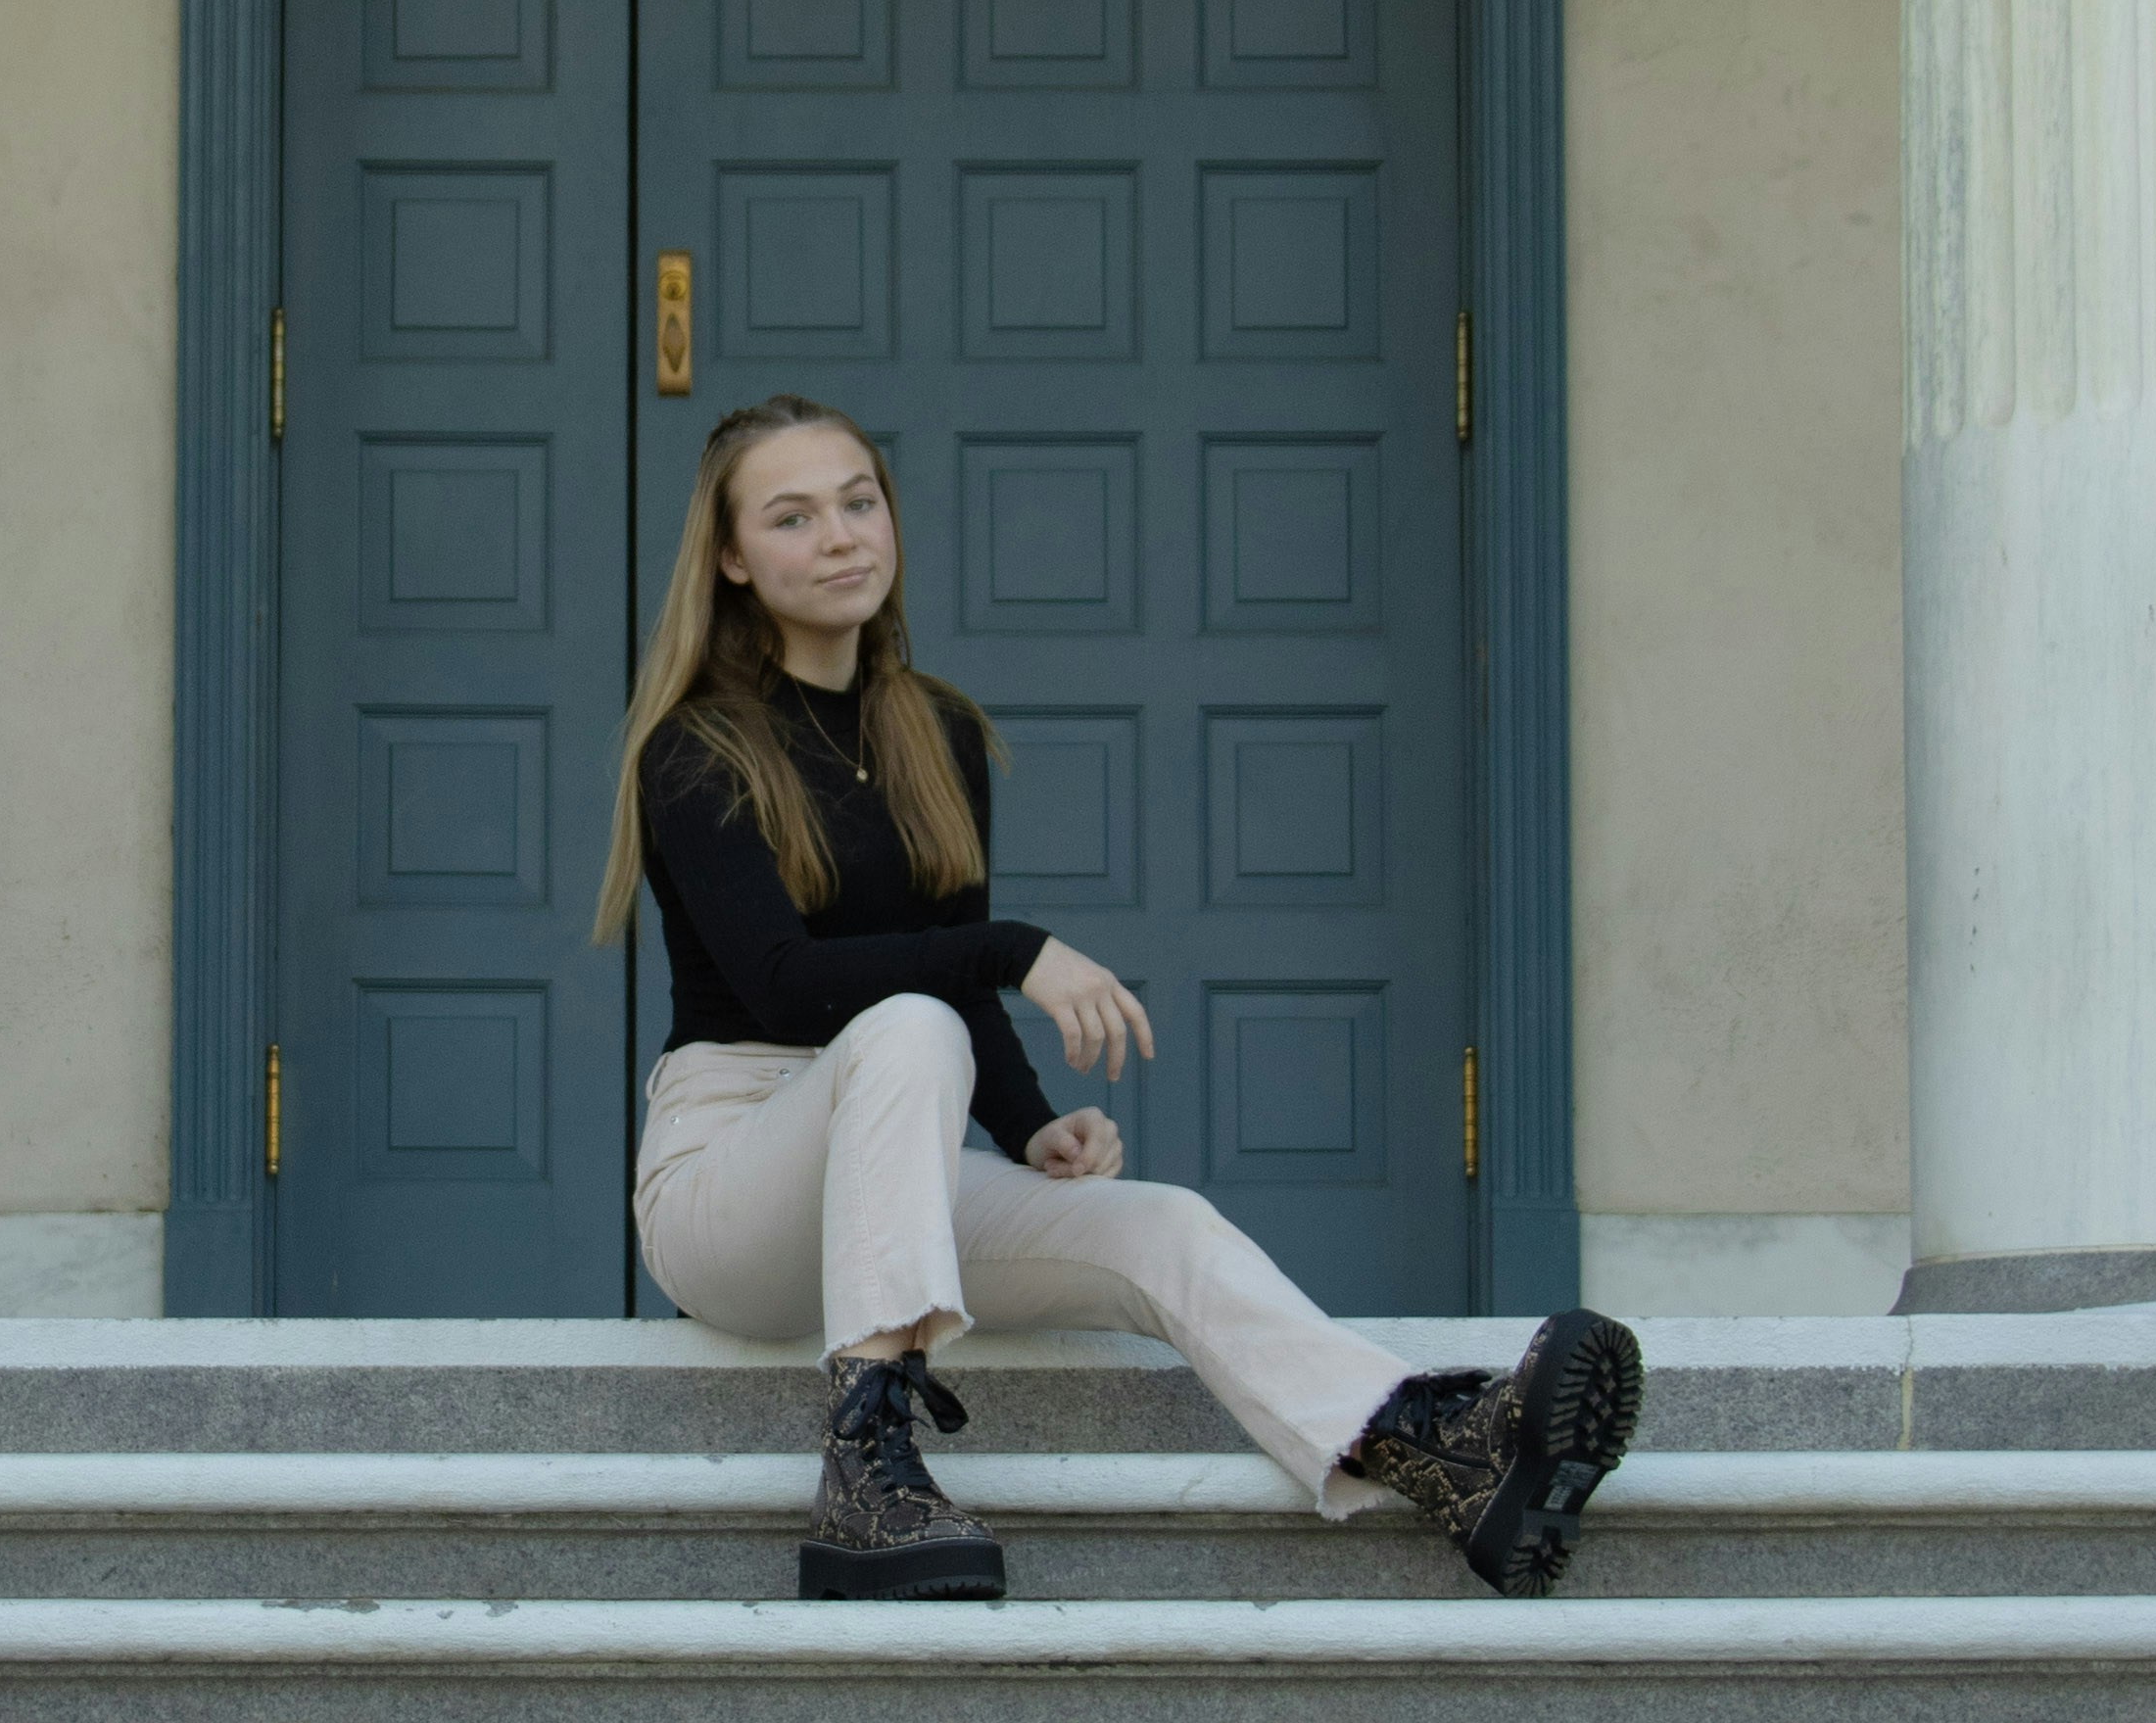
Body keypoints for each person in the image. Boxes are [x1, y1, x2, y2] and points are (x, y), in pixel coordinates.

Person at [600, 387, 1643, 1600]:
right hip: (733, 1177)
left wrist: (1032, 1122)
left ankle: (1436, 1450)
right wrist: (1013, 947)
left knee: (1161, 1224)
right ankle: (865, 1471)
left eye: (858, 500)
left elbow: (947, 993)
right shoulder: (697, 746)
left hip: (898, 1142)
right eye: (791, 516)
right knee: (909, 1020)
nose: (839, 535)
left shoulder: (932, 729)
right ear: (730, 557)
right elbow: (789, 988)